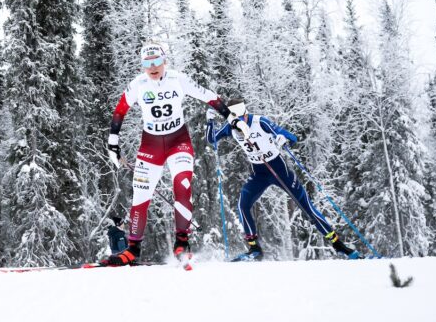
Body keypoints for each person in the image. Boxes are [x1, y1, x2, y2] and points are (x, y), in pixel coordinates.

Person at [101, 41, 244, 267]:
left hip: (179, 141)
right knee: (140, 196)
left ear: (165, 61)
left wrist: (230, 117)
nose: (153, 67)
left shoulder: (178, 79)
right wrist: (113, 142)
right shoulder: (138, 84)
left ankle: (182, 243)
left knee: (182, 185)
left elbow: (209, 96)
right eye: (147, 63)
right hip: (151, 146)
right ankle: (132, 249)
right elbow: (119, 111)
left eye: (157, 61)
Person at [207, 99, 359, 261]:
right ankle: (254, 248)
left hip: (279, 170)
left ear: (246, 113)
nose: (239, 124)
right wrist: (210, 122)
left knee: (305, 206)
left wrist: (282, 138)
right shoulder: (231, 126)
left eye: (241, 119)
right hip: (259, 173)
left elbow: (289, 136)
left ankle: (339, 245)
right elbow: (212, 139)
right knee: (243, 204)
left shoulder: (260, 121)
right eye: (235, 121)